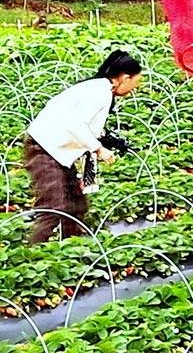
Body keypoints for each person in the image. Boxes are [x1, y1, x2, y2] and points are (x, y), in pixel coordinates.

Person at [23, 50, 144, 243]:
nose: (134, 89)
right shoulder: (99, 92)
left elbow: (86, 124)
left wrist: (109, 140)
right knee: (55, 207)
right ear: (124, 77)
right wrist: (99, 149)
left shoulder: (101, 90)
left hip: (58, 152)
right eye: (135, 83)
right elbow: (75, 124)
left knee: (76, 205)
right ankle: (34, 254)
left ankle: (72, 249)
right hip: (45, 149)